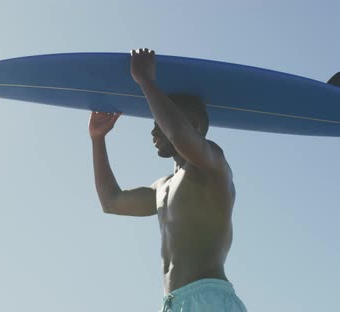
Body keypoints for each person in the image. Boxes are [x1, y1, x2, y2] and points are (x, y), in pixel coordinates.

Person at [89, 48, 247, 311]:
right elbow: (111, 202)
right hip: (175, 303)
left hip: (209, 299)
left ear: (194, 124)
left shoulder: (212, 165)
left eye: (158, 120)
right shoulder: (162, 188)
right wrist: (98, 139)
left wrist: (145, 81)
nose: (152, 130)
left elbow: (177, 133)